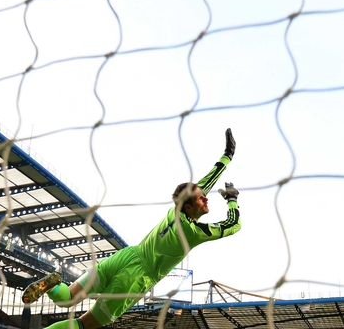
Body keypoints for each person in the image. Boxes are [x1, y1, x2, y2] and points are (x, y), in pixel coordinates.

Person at [22, 128, 241, 329]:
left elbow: (206, 181)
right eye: (201, 198)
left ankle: (50, 285)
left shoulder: (174, 211)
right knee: (82, 325)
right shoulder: (194, 233)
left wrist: (227, 156)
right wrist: (232, 199)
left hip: (125, 256)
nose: (205, 197)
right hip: (136, 278)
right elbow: (233, 225)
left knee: (68, 296)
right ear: (189, 205)